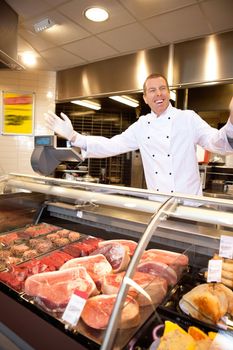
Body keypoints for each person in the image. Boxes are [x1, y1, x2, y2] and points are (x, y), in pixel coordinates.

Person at [45, 73, 233, 197]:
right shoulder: (142, 125)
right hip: (158, 206)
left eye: (162, 88)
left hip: (189, 206)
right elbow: (113, 145)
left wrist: (231, 122)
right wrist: (74, 137)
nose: (158, 94)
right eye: (152, 90)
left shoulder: (188, 118)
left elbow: (217, 142)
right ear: (145, 98)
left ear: (169, 92)